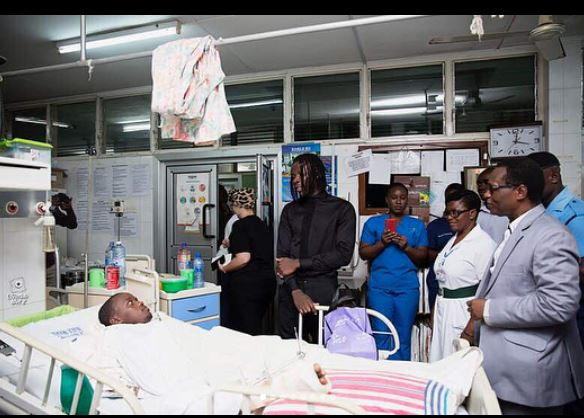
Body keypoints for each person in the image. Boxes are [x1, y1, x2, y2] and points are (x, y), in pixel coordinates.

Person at [464, 158, 584, 414]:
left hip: (530, 377)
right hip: (508, 373)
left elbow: (559, 305)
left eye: (493, 188)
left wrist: (488, 310)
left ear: (520, 191)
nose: (486, 194)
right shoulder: (517, 229)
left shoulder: (550, 234)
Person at [95, 293, 330, 414]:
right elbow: (109, 378)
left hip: (204, 351)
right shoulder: (116, 336)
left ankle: (272, 386)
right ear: (116, 320)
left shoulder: (158, 321)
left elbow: (195, 340)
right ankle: (279, 389)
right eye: (130, 303)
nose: (140, 303)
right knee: (210, 393)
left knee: (238, 349)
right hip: (181, 381)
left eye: (136, 298)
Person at [276, 153, 356, 342]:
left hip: (324, 290)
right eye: (292, 176)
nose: (295, 180)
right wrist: (295, 291)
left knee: (326, 348)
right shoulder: (290, 210)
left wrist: (298, 263)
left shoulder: (342, 209)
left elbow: (343, 255)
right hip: (290, 291)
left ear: (317, 174)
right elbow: (282, 259)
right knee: (290, 350)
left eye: (299, 175)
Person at [527, 151, 584, 414]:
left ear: (553, 175)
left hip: (572, 312)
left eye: (533, 178)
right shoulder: (543, 213)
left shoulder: (575, 214)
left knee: (573, 383)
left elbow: (580, 270)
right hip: (546, 311)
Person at [359, 183, 428, 360]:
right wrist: (382, 243)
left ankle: (400, 379)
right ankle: (383, 378)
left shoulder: (416, 225)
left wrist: (406, 247)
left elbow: (423, 258)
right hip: (380, 289)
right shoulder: (373, 223)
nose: (398, 201)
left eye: (402, 198)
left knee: (403, 336)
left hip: (407, 289)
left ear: (407, 200)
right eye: (394, 197)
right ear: (387, 200)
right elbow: (363, 253)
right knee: (381, 335)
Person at [429, 189, 496, 362]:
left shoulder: (483, 244)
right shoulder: (453, 239)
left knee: (457, 362)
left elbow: (489, 289)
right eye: (447, 213)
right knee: (440, 361)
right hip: (443, 307)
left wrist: (471, 326)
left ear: (472, 213)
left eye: (455, 213)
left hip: (462, 311)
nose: (450, 217)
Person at [218, 188, 276, 336]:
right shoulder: (262, 224)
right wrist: (233, 244)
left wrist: (225, 268)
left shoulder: (240, 225)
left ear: (236, 204)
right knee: (255, 326)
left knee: (243, 331)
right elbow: (256, 248)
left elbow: (243, 258)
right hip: (267, 284)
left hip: (248, 287)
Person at [425, 183, 465, 312]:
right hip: (438, 280)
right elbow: (426, 252)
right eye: (450, 198)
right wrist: (445, 256)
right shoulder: (435, 226)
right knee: (437, 318)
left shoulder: (472, 226)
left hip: (462, 283)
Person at [476, 167, 508, 245]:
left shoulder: (509, 211)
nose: (481, 187)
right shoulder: (476, 213)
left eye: (486, 182)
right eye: (479, 184)